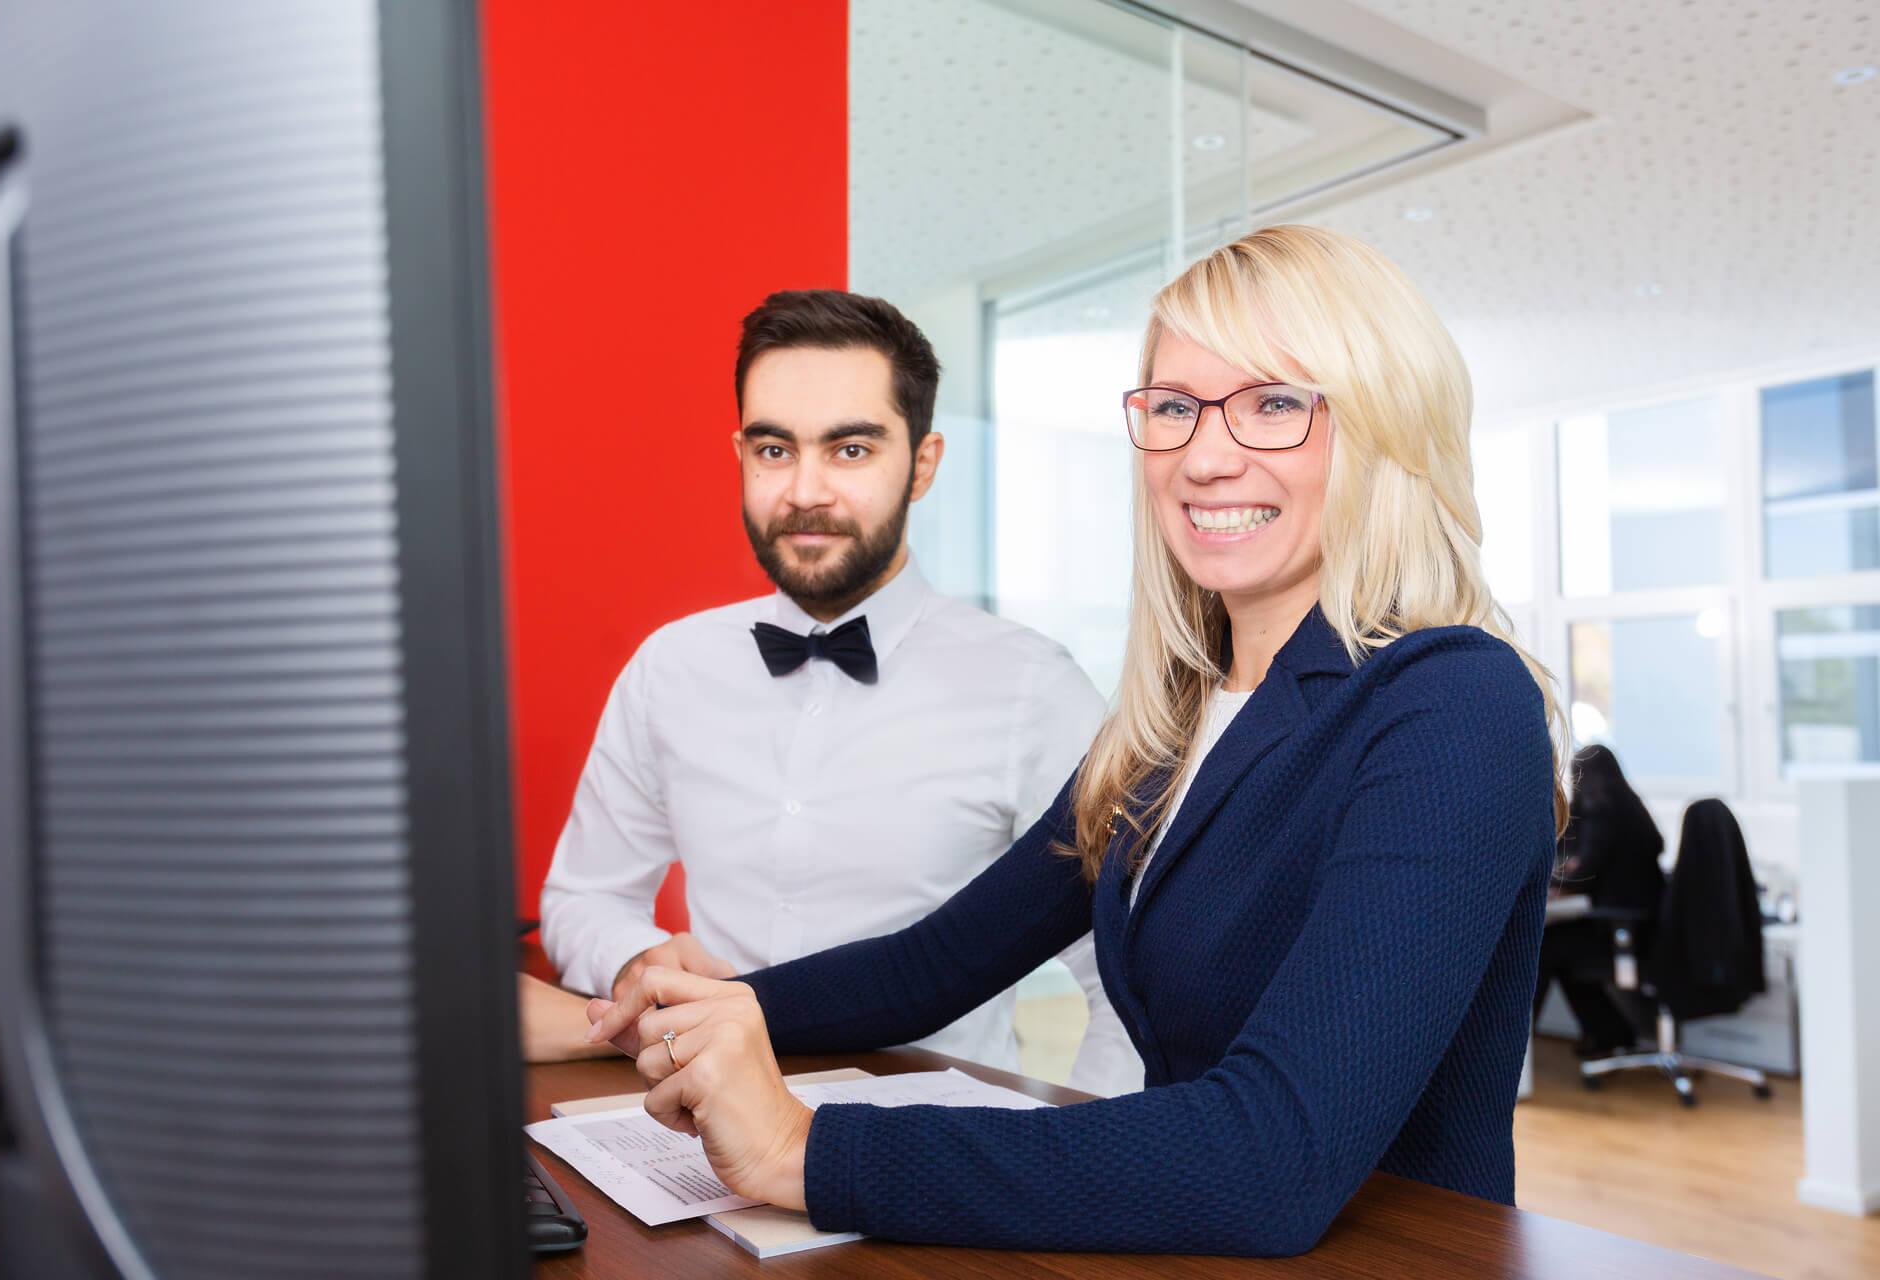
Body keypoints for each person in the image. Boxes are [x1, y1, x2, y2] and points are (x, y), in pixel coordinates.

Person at [588, 226, 1568, 1256]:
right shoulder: (1170, 723)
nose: (1206, 456)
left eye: (1275, 403)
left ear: (1385, 427)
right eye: (1175, 408)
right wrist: (699, 1010)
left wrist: (805, 1149)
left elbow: (1273, 1153)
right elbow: (939, 962)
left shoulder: (1452, 699)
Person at [537, 288, 1141, 1093]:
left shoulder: (1034, 690)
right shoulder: (669, 668)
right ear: (740, 455)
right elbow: (582, 896)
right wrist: (635, 959)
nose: (804, 492)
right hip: (693, 1122)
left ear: (922, 464)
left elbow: (1128, 978)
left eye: (850, 450)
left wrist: (1077, 1142)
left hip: (936, 1147)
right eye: (774, 450)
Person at [1537, 744, 1665, 1055]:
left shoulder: (1603, 810)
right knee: (1562, 948)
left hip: (1623, 929)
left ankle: (1513, 1040)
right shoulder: (1630, 805)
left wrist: (1549, 878)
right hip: (1647, 925)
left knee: (1548, 948)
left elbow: (1585, 872)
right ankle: (1609, 1034)